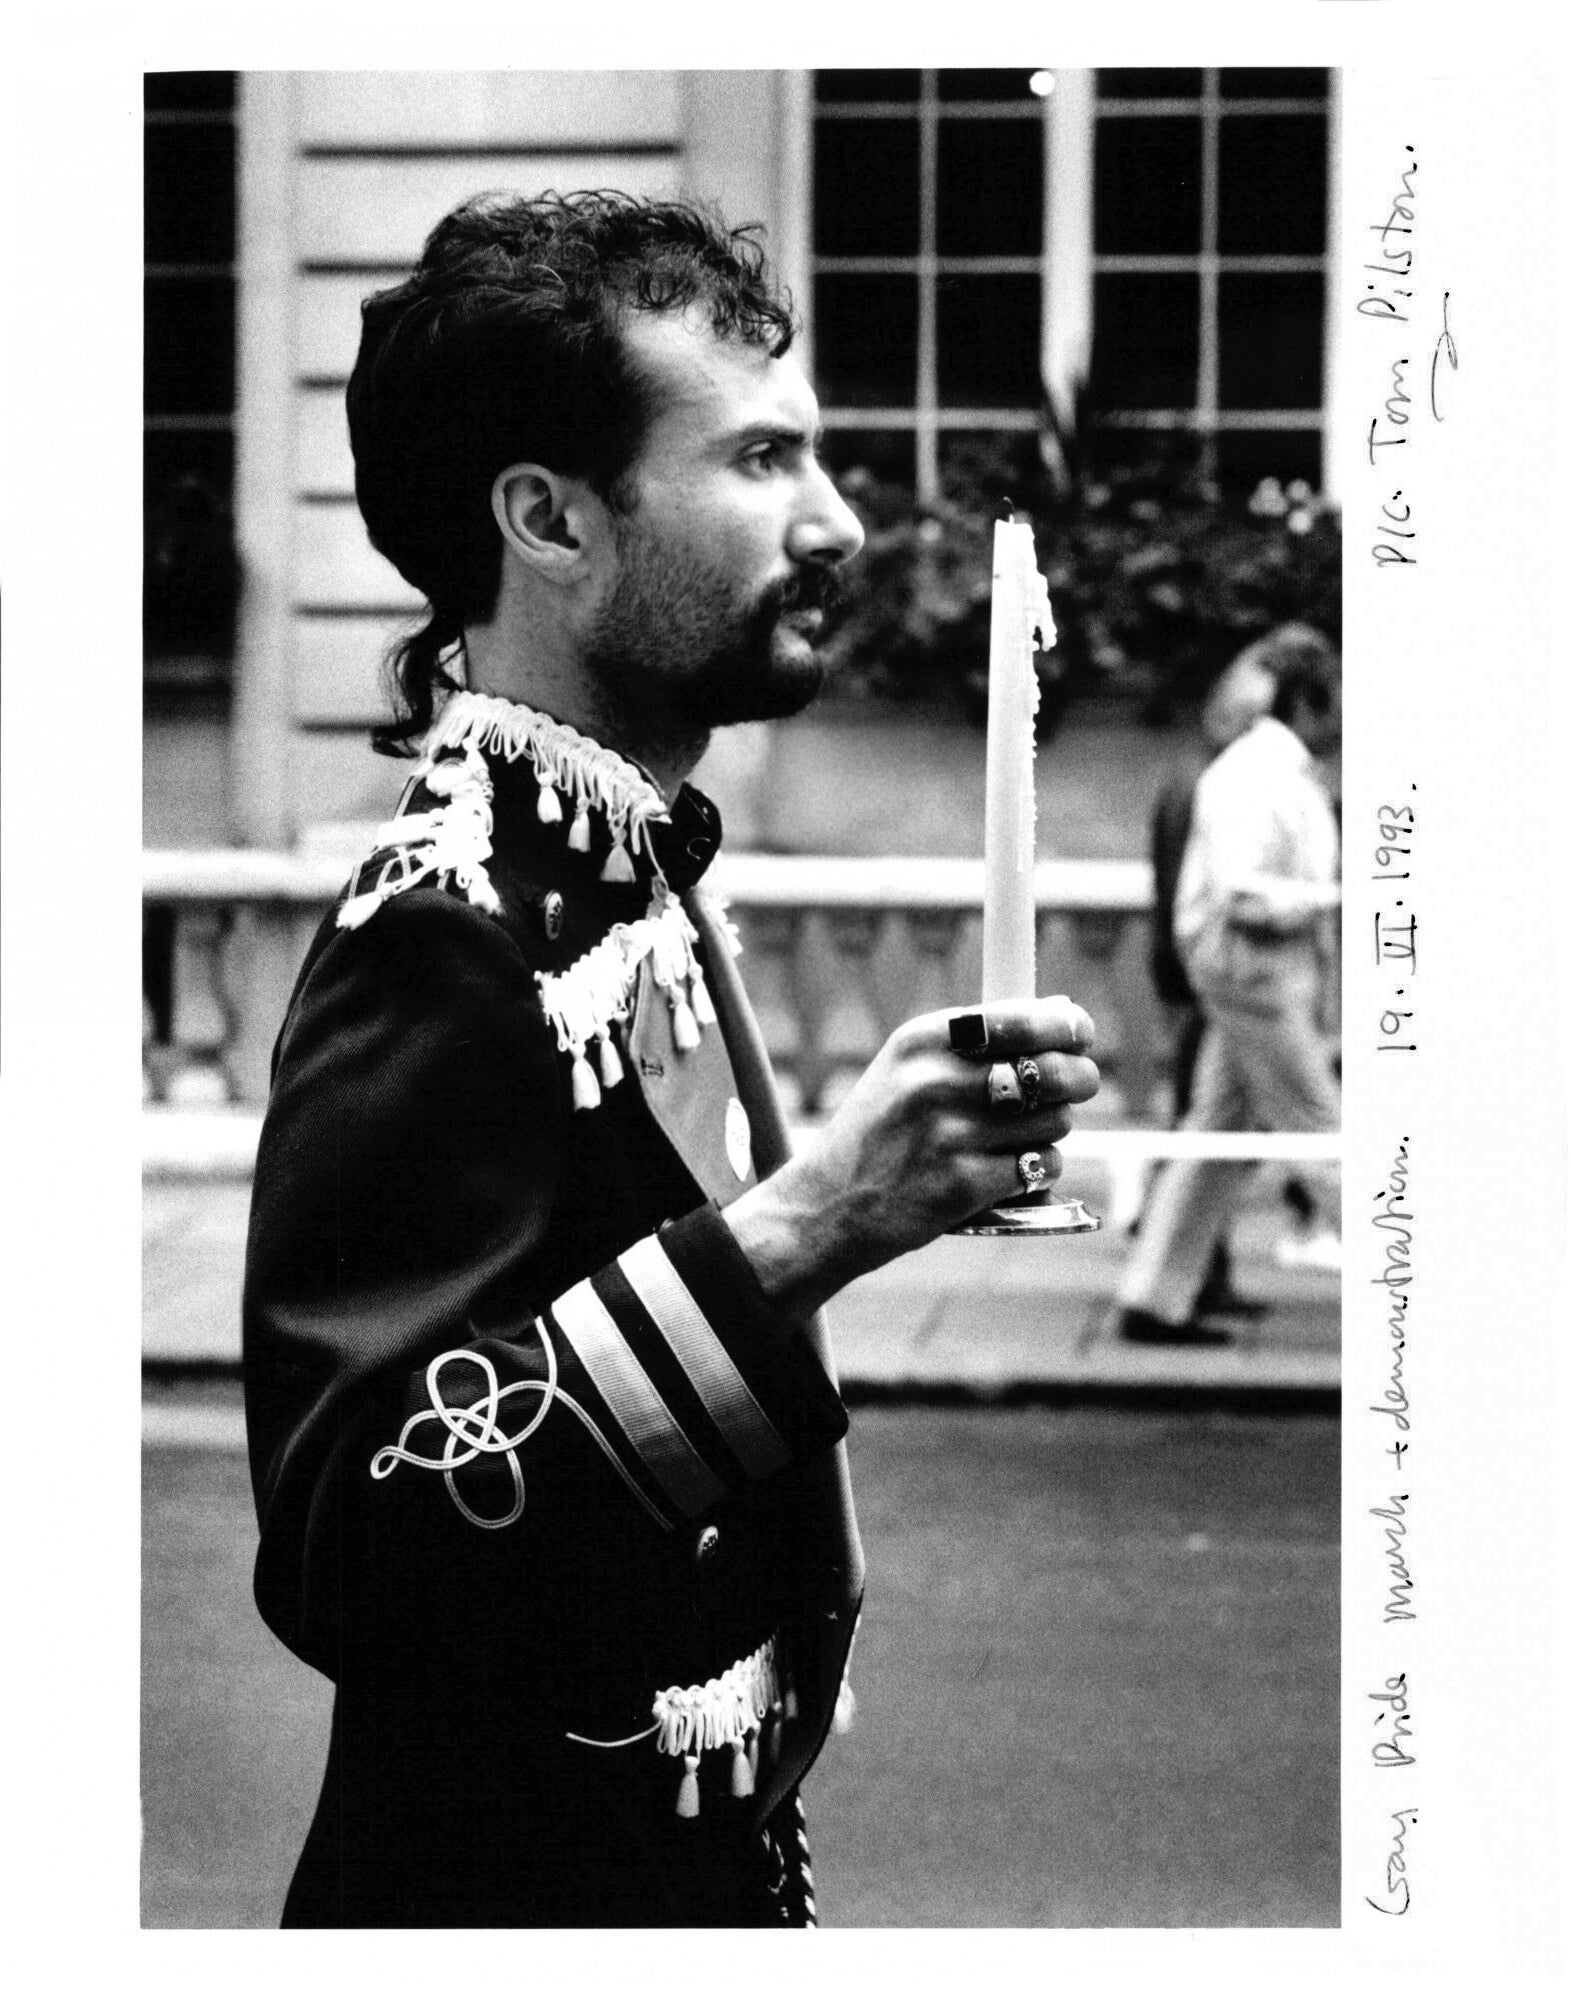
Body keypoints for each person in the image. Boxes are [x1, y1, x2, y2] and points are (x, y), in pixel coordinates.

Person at [241, 190, 1100, 1928]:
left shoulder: (617, 857)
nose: (840, 522)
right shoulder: (447, 925)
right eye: (762, 461)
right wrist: (820, 1220)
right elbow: (353, 1541)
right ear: (550, 519)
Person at [1113, 626, 1341, 1344]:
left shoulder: (1275, 771)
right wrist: (1332, 901)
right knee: (1322, 1136)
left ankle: (1153, 1299)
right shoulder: (1253, 776)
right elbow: (1242, 894)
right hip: (1254, 978)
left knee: (1213, 1132)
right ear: (1311, 699)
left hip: (1256, 976)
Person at [1139, 642, 1280, 1318]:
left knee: (1212, 1126)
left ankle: (1194, 1280)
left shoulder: (1203, 776)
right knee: (1204, 1129)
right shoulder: (1205, 782)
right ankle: (1190, 1280)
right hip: (1206, 982)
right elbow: (1181, 897)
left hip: (1198, 979)